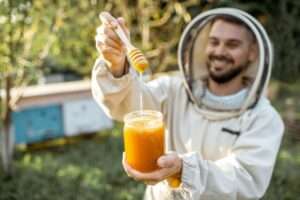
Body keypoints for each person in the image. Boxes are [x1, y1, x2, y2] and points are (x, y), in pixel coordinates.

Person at [92, 8, 284, 200]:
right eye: (214, 42)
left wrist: (183, 170)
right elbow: (127, 107)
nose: (219, 51)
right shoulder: (174, 90)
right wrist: (116, 66)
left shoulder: (264, 119)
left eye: (232, 45)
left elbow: (245, 181)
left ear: (252, 53)